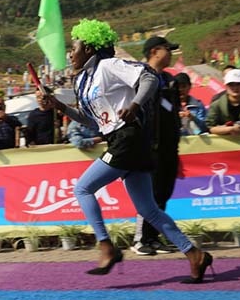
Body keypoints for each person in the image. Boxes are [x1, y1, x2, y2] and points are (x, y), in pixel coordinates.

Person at [45, 19, 213, 283]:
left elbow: (148, 77)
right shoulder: (83, 82)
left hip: (129, 138)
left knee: (82, 189)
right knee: (149, 210)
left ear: (88, 48)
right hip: (119, 140)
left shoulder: (109, 66)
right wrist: (59, 106)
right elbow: (94, 122)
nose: (70, 53)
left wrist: (134, 105)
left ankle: (106, 246)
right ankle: (194, 254)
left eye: (73, 47)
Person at [131, 36, 181, 257]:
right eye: (167, 49)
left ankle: (154, 237)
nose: (171, 53)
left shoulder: (169, 81)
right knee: (149, 194)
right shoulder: (139, 78)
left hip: (169, 148)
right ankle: (140, 239)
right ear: (154, 51)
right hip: (149, 148)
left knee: (163, 193)